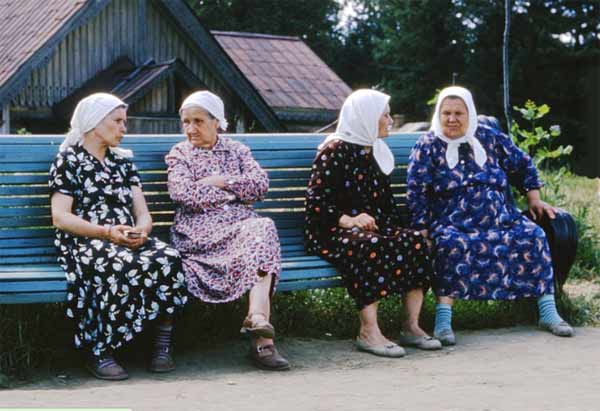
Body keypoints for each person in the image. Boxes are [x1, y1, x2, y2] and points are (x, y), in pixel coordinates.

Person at [407, 86, 574, 346]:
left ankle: (548, 312)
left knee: (533, 235)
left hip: (501, 218)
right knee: (450, 245)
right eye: (446, 113)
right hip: (453, 220)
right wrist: (421, 226)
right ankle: (443, 320)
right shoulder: (428, 144)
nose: (452, 119)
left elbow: (522, 164)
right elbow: (416, 188)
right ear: (438, 115)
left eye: (458, 113)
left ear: (470, 114)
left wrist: (534, 199)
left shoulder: (488, 137)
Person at [49, 93, 188, 381]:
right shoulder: (68, 161)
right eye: (118, 121)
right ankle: (100, 350)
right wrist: (106, 232)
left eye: (124, 122)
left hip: (126, 238)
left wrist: (142, 232)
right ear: (94, 122)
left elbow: (143, 214)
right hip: (86, 240)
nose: (124, 128)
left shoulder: (123, 163)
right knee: (115, 263)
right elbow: (61, 217)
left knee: (168, 258)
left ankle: (160, 347)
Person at [304, 89, 441, 358]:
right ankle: (368, 332)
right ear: (365, 118)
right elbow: (316, 203)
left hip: (371, 228)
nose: (390, 120)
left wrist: (402, 230)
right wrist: (350, 220)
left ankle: (411, 326)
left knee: (415, 241)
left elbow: (384, 204)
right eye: (385, 115)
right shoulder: (333, 151)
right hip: (333, 230)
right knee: (370, 246)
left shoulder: (374, 150)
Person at [165, 91, 289, 371]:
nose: (190, 129)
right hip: (199, 235)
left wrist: (221, 181)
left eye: (198, 121)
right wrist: (235, 194)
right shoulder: (180, 153)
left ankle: (258, 322)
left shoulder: (237, 150)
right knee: (259, 236)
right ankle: (262, 343)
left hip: (241, 231)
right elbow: (183, 194)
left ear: (217, 121)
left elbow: (260, 185)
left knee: (264, 229)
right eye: (186, 122)